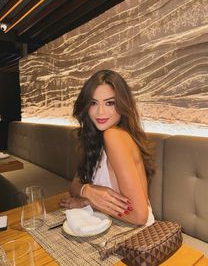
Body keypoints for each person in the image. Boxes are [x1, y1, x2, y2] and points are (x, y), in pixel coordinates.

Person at [60, 69, 156, 225]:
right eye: (93, 103)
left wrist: (87, 202)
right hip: (107, 225)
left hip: (131, 234)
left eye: (110, 103)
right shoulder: (96, 138)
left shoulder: (114, 136)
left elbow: (139, 216)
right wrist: (88, 191)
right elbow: (74, 185)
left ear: (122, 104)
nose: (100, 112)